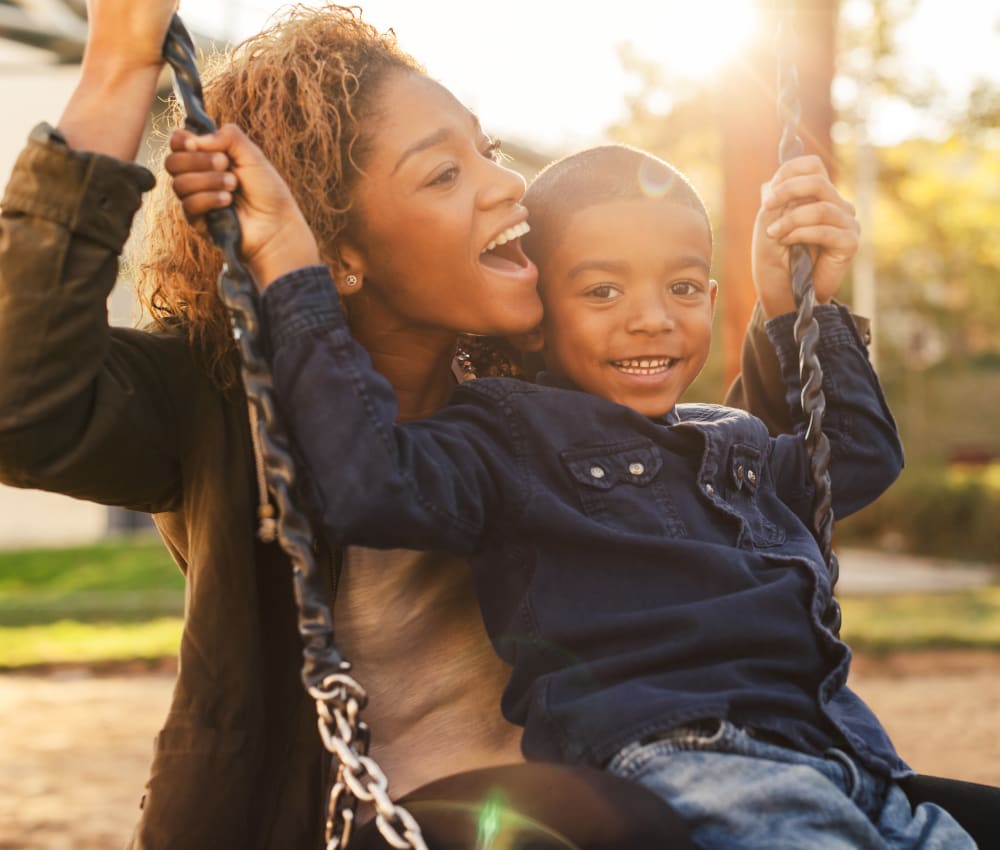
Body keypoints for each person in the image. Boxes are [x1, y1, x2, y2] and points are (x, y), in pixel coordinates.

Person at [0, 2, 815, 847]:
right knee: (607, 816)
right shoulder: (221, 401)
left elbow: (732, 499)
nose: (505, 187)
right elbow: (21, 405)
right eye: (443, 175)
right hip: (375, 823)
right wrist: (119, 67)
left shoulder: (524, 385)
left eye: (486, 153)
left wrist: (791, 319)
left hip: (611, 794)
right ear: (337, 253)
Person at [170, 130, 976, 849]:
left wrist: (800, 305)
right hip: (685, 762)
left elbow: (857, 460)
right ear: (533, 313)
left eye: (685, 288)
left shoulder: (728, 439)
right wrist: (291, 275)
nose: (653, 319)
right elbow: (367, 482)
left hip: (842, 752)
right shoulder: (508, 435)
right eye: (602, 292)